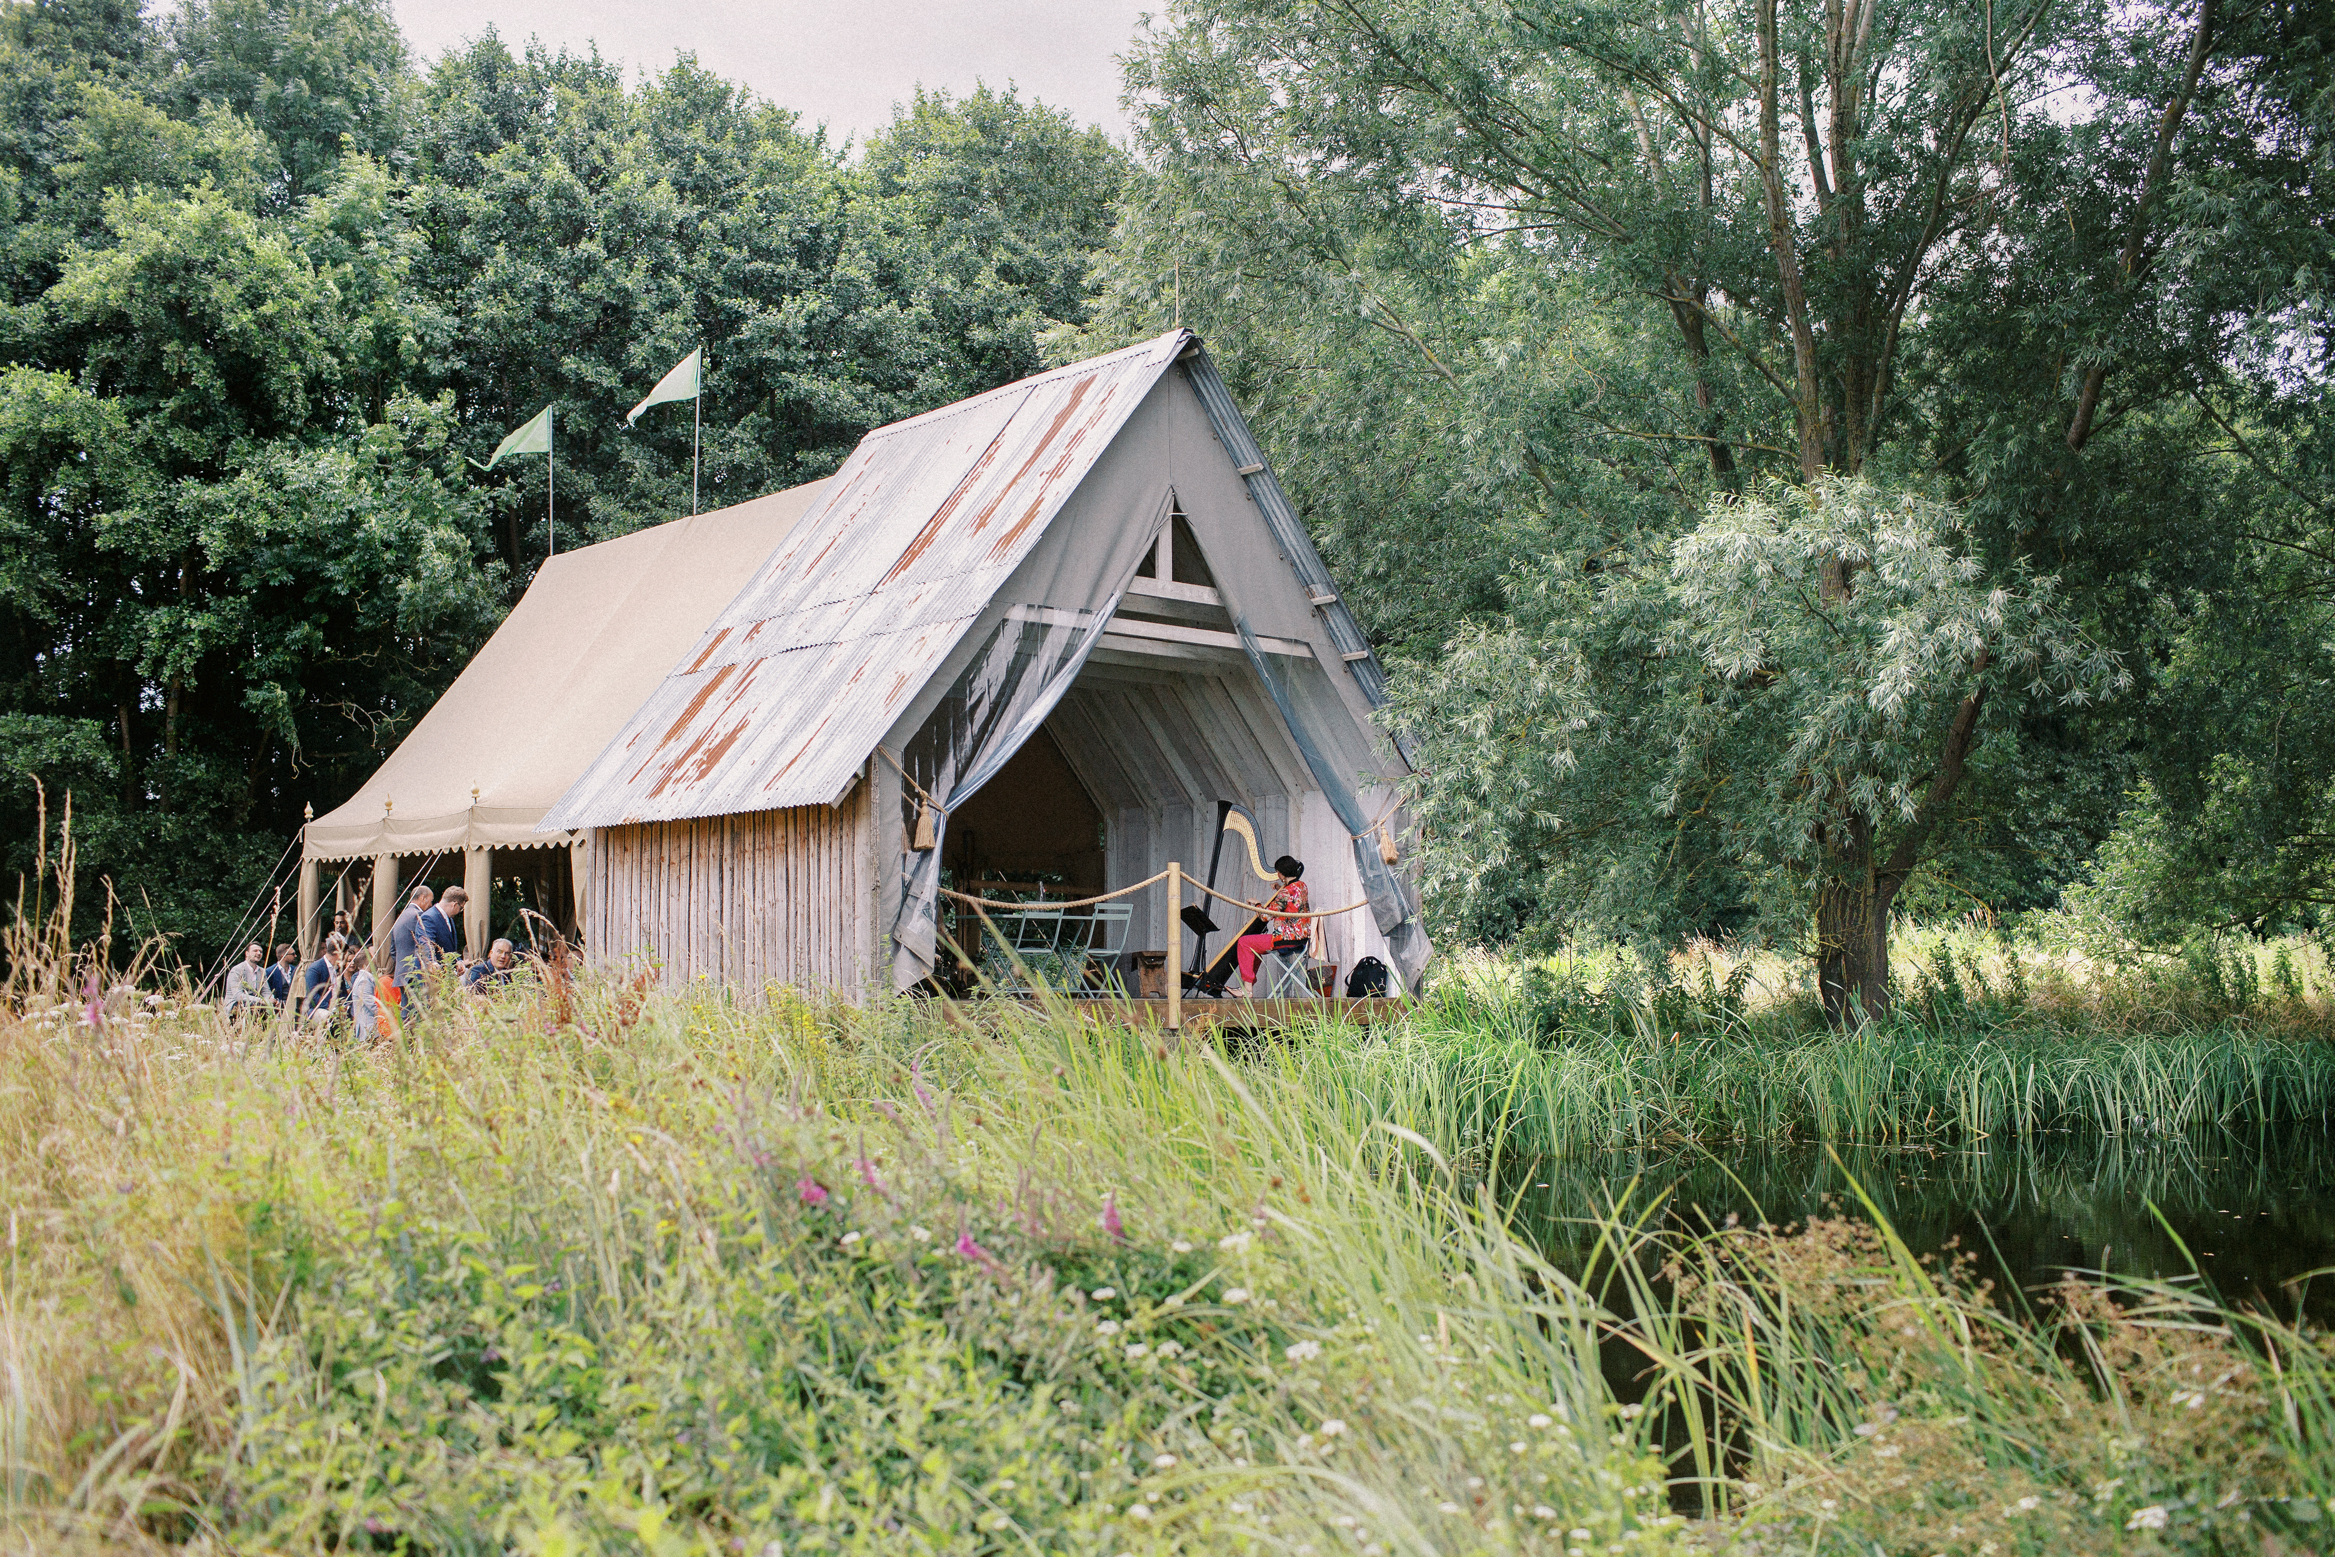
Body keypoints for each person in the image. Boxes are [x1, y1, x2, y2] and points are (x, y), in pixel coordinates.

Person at [1235, 855, 1310, 994]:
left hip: (1286, 939)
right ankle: (1248, 985)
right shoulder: (1301, 886)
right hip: (1302, 939)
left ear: (1281, 873)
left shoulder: (1285, 892)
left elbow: (1265, 916)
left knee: (1244, 942)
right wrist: (1278, 888)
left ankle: (1247, 989)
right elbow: (1291, 899)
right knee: (1254, 947)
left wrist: (1256, 904)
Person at [385, 885, 435, 1027]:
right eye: (430, 900)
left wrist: (403, 964)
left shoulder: (401, 917)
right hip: (415, 974)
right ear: (423, 898)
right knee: (418, 1014)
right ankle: (414, 1045)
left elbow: (393, 950)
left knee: (406, 1012)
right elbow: (424, 944)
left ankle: (405, 1044)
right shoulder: (418, 916)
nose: (431, 905)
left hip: (402, 972)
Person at [301, 935, 345, 1026]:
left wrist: (344, 1004)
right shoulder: (315, 969)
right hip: (317, 1009)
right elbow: (312, 996)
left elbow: (343, 992)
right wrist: (330, 1007)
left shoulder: (338, 969)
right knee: (329, 1017)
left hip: (336, 1008)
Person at [223, 943, 271, 1016]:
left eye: (260, 951)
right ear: (247, 953)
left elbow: (266, 991)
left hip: (257, 1004)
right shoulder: (237, 970)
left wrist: (270, 999)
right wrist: (261, 1000)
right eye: (255, 951)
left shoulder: (261, 971)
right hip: (237, 1005)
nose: (258, 953)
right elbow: (238, 995)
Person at [346, 947, 380, 1043]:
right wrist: (384, 1014)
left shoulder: (366, 977)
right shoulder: (363, 980)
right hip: (368, 1026)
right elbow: (370, 1003)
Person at [264, 943, 299, 1008]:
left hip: (295, 1006)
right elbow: (266, 992)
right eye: (292, 954)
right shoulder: (270, 972)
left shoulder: (296, 970)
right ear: (283, 956)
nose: (295, 956)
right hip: (278, 1008)